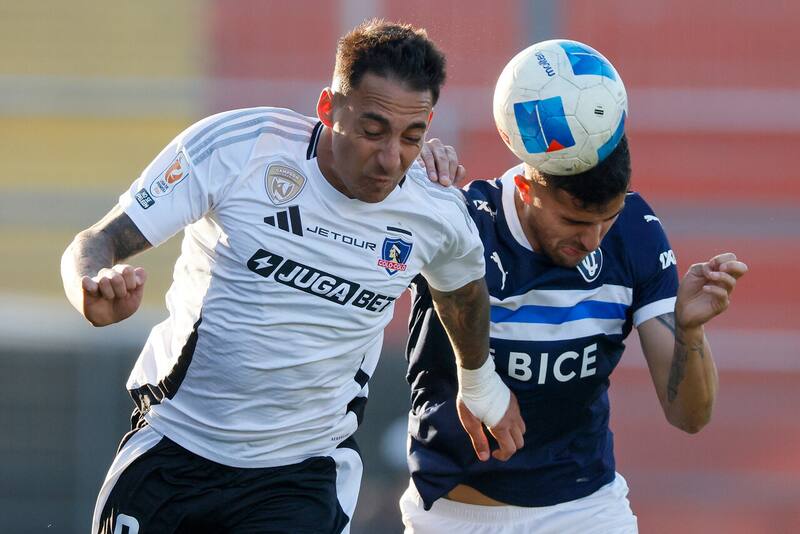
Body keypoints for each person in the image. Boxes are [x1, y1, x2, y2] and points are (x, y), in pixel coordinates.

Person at [60, 19, 525, 534]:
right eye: (372, 131)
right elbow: (97, 242)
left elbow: (462, 291)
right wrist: (91, 287)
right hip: (176, 447)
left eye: (411, 137)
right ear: (328, 108)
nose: (390, 158)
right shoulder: (239, 149)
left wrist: (479, 383)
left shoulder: (435, 212)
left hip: (300, 475)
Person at [401, 134, 748, 533]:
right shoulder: (463, 218)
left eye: (608, 219)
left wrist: (689, 331)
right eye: (574, 221)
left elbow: (691, 417)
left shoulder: (635, 229)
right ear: (525, 189)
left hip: (587, 510)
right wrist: (406, 171)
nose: (593, 240)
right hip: (455, 513)